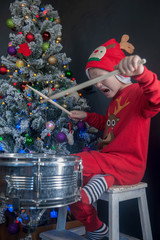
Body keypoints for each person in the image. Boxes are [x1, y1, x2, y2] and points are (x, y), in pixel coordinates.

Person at [68, 35, 160, 240]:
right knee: (70, 186)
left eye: (101, 78)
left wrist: (142, 74)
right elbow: (108, 125)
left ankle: (99, 183)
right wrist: (87, 116)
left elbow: (157, 98)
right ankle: (95, 226)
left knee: (72, 163)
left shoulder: (138, 92)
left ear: (119, 73)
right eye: (94, 81)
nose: (99, 86)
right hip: (110, 164)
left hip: (129, 165)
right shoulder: (114, 102)